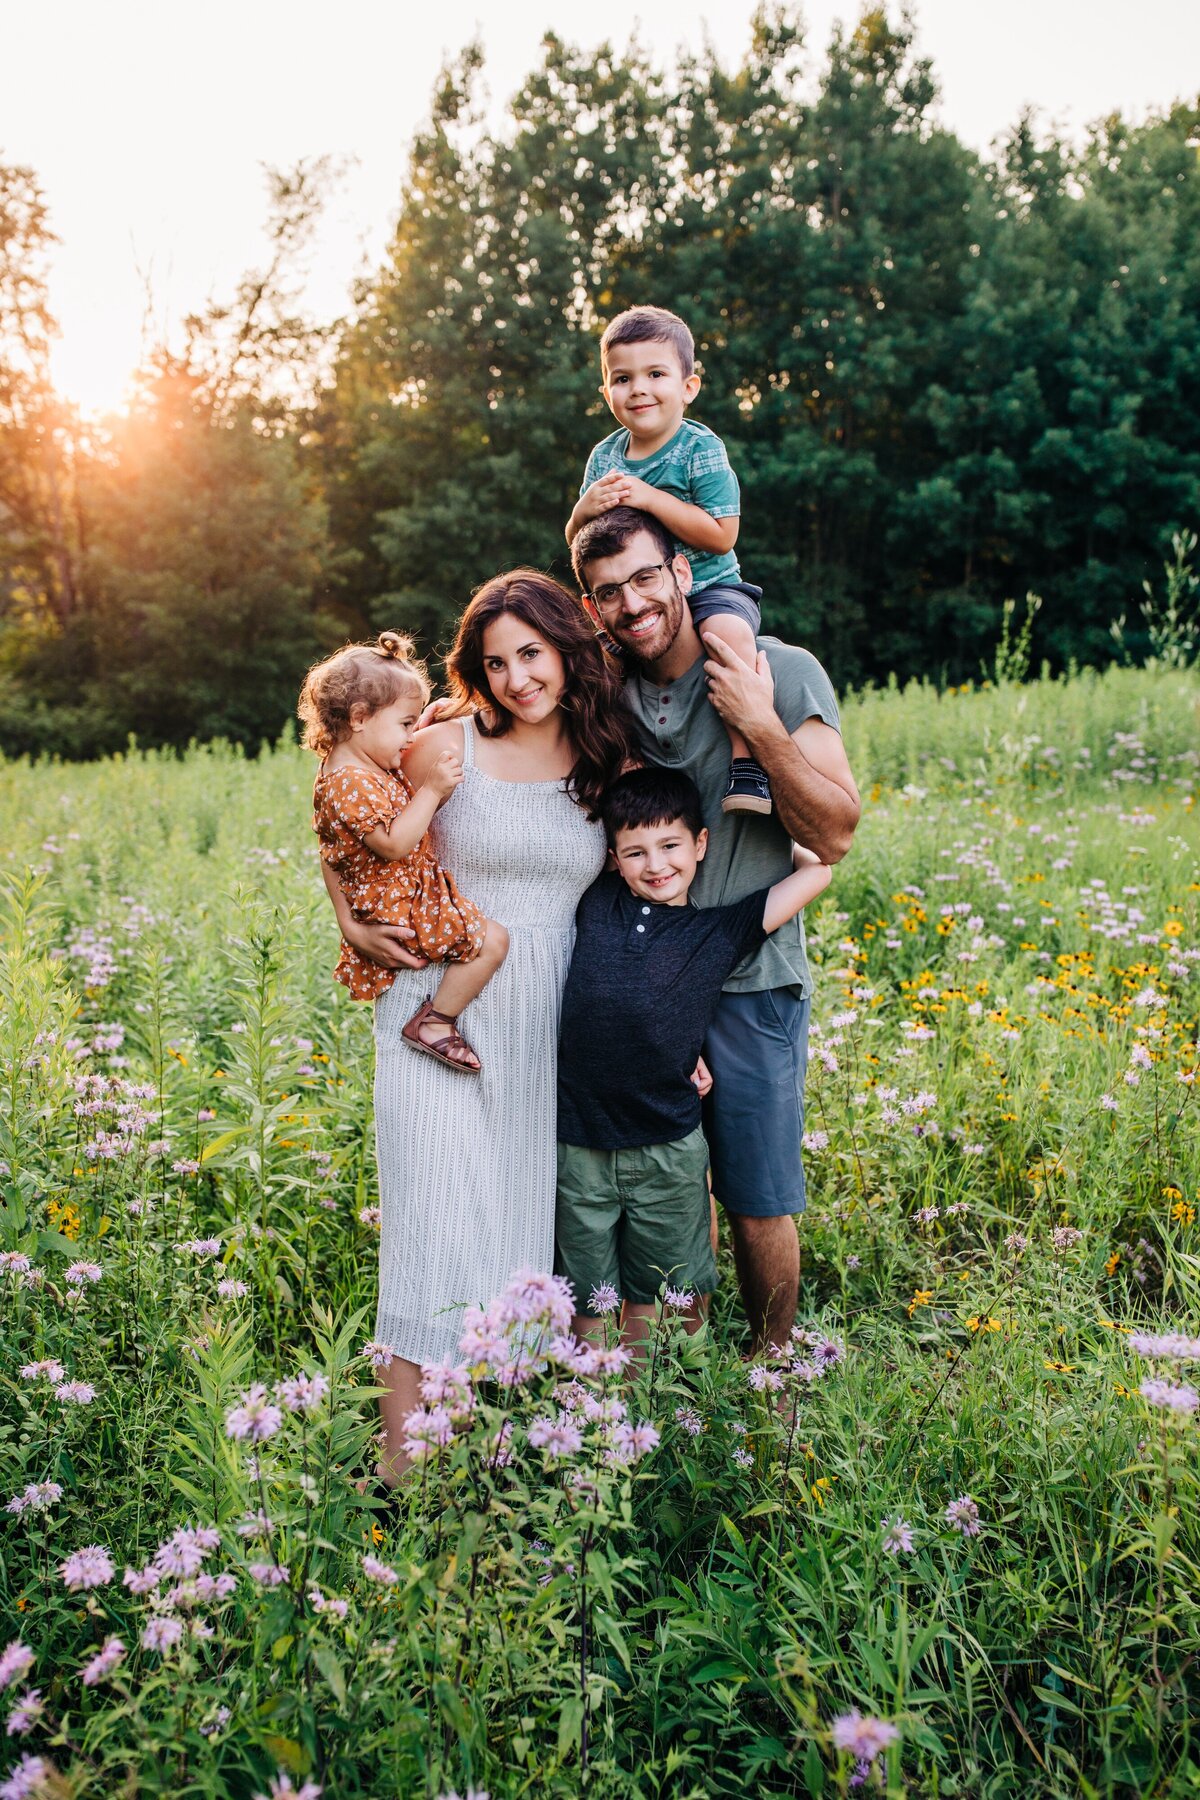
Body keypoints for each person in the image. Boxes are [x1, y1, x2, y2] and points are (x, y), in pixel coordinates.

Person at [319, 572, 636, 1487]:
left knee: (510, 1227)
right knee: (428, 1220)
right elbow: (339, 807)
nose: (515, 677)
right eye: (494, 661)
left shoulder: (604, 750)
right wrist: (344, 912)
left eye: (530, 653)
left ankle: (495, 1452)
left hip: (545, 1021)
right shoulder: (441, 739)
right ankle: (401, 1470)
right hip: (432, 1005)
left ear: (566, 648)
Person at [571, 505, 861, 1354]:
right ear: (594, 608)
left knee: (756, 1192)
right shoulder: (608, 695)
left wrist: (761, 724)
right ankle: (672, 1371)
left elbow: (836, 832)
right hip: (638, 981)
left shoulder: (781, 669)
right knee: (662, 1176)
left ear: (684, 574)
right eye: (608, 592)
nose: (632, 603)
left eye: (645, 578)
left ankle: (772, 1366)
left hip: (749, 979)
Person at [556, 767, 830, 1351]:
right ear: (613, 859)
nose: (655, 865)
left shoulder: (720, 930)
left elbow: (819, 869)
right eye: (635, 852)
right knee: (585, 1298)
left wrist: (771, 819)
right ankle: (594, 1412)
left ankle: (666, 1410)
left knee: (672, 1296)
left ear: (700, 844)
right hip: (579, 1142)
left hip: (667, 1146)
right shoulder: (597, 901)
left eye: (671, 845)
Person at [565, 304, 776, 818]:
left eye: (656, 374)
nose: (638, 388)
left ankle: (747, 761)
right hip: (634, 598)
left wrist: (650, 498)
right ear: (606, 393)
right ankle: (615, 761)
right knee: (588, 666)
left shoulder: (699, 448)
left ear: (688, 386)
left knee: (728, 638)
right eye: (622, 378)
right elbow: (580, 544)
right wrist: (582, 511)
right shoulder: (605, 458)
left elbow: (723, 535)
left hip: (709, 589)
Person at [299, 631, 508, 1073]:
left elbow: (335, 846)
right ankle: (436, 1022)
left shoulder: (354, 765)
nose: (411, 736)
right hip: (401, 905)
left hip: (392, 895)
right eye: (405, 724)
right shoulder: (350, 782)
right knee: (493, 942)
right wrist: (431, 790)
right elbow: (394, 844)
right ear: (359, 717)